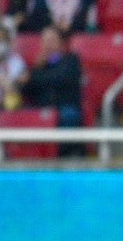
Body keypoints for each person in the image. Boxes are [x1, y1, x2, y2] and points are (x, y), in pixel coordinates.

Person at [21, 26, 83, 157]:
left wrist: (36, 75)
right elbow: (25, 89)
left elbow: (59, 78)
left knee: (68, 116)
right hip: (39, 108)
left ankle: (54, 155)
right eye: (45, 41)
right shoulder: (38, 65)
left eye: (52, 40)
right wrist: (36, 69)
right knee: (21, 115)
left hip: (63, 107)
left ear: (61, 42)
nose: (48, 44)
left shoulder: (71, 59)